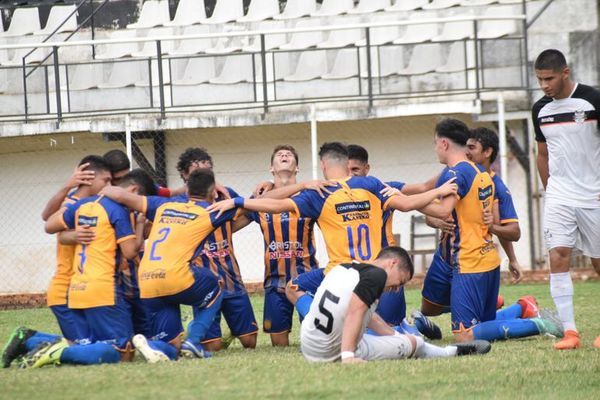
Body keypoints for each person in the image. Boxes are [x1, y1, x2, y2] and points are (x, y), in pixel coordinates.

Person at [208, 142, 459, 320]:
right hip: (378, 271)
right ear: (348, 165)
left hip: (342, 273)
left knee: (294, 288)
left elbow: (276, 204)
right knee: (390, 326)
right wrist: (438, 191)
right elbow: (406, 204)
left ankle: (319, 322)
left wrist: (238, 201)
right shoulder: (371, 184)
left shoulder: (319, 193)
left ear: (323, 164)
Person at [22, 168, 152, 368]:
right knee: (123, 353)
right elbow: (129, 253)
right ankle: (57, 351)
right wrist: (141, 225)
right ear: (133, 191)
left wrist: (69, 235)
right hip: (103, 289)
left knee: (91, 345)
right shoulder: (117, 210)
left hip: (77, 290)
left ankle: (34, 341)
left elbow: (49, 226)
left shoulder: (81, 205)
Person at [1, 156, 109, 368]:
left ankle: (30, 337)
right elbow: (48, 220)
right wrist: (68, 185)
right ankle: (33, 343)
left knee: (88, 344)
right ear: (89, 178)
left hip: (80, 289)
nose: (109, 186)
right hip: (65, 289)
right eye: (106, 180)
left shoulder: (90, 204)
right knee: (84, 349)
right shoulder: (72, 204)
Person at [300, 246, 491, 363]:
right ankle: (452, 352)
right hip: (331, 352)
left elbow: (367, 315)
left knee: (402, 338)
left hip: (309, 344)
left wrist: (395, 336)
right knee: (415, 343)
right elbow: (355, 312)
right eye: (400, 282)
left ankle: (407, 340)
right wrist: (349, 356)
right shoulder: (377, 275)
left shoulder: (342, 268)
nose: (396, 289)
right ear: (392, 263)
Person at [532, 49, 600, 349]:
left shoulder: (592, 100)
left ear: (565, 73)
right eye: (540, 80)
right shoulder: (540, 110)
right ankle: (570, 333)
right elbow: (542, 154)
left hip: (594, 194)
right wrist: (551, 191)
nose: (545, 85)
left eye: (549, 78)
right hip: (559, 195)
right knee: (558, 255)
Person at [176, 147, 258, 352]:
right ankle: (193, 328)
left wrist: (229, 229)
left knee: (250, 342)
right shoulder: (179, 202)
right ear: (185, 175)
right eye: (197, 171)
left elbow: (250, 210)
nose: (204, 175)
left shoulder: (226, 194)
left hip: (231, 275)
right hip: (203, 280)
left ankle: (231, 331)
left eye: (208, 170)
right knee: (212, 346)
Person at [241, 145, 319, 346]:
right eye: (279, 155)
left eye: (289, 154)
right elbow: (230, 226)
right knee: (278, 343)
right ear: (271, 168)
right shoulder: (259, 200)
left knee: (316, 334)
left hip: (306, 277)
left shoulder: (309, 196)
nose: (284, 155)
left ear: (298, 168)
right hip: (275, 280)